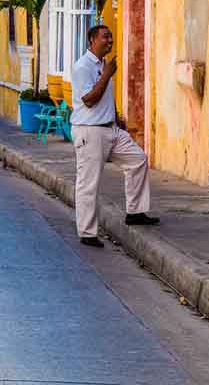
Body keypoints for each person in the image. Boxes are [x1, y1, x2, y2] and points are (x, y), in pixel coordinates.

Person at [70, 24, 158, 248]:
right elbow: (89, 100)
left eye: (110, 37)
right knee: (88, 183)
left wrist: (117, 118)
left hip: (110, 128)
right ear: (92, 40)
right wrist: (107, 75)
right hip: (90, 131)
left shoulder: (103, 65)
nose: (110, 41)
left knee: (138, 159)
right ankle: (87, 232)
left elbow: (105, 98)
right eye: (105, 37)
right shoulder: (83, 67)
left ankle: (135, 211)